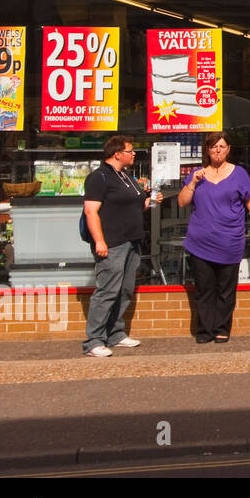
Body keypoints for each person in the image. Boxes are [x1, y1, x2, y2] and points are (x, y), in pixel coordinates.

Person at [178, 131, 250, 343]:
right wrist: (192, 184)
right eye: (213, 147)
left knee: (226, 289)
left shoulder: (239, 174)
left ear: (228, 150)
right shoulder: (197, 174)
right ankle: (205, 330)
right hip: (200, 242)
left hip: (229, 240)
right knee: (204, 288)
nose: (218, 150)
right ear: (207, 150)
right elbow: (182, 202)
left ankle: (221, 328)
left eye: (222, 147)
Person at [82, 135, 152, 357]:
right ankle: (94, 340)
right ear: (117, 154)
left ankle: (115, 333)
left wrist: (149, 200)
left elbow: (134, 207)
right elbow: (91, 211)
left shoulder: (126, 176)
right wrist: (100, 241)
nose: (133, 154)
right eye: (130, 151)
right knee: (107, 291)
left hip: (132, 240)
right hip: (112, 242)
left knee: (125, 289)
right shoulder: (99, 177)